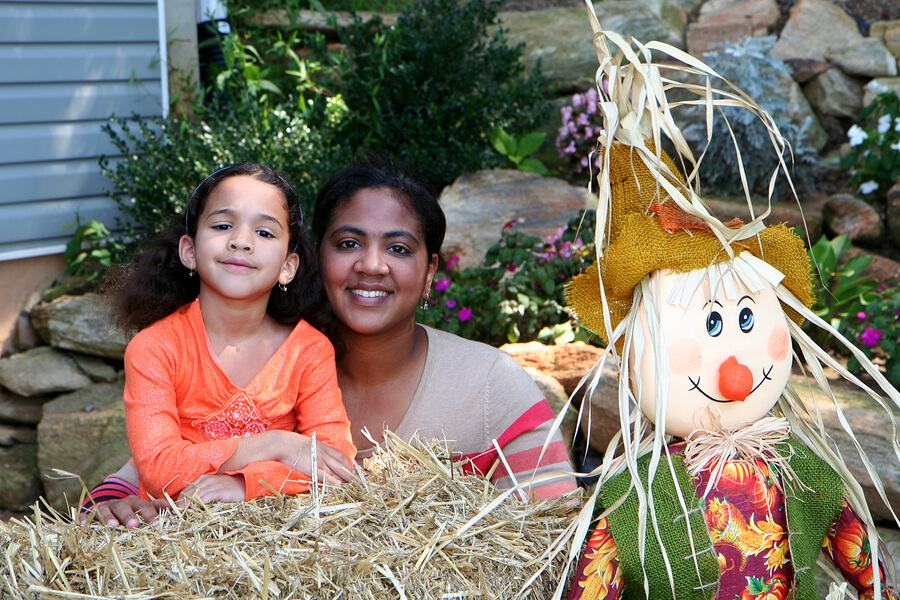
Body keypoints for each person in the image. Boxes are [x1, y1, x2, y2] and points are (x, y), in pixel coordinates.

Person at [563, 16, 900, 600]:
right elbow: (595, 584)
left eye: (746, 320)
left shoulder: (798, 467)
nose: (735, 369)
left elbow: (859, 555)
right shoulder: (638, 493)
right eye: (711, 323)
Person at [83, 155, 576, 528]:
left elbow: (554, 535)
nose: (372, 264)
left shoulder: (491, 387)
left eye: (399, 248)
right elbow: (171, 455)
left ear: (430, 275)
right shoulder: (250, 351)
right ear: (315, 258)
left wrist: (246, 480)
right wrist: (109, 505)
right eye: (348, 243)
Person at [108, 163, 356, 507]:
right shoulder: (155, 348)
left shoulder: (309, 350)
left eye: (265, 233)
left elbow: (336, 462)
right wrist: (274, 445)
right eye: (223, 226)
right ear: (190, 251)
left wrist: (247, 485)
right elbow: (158, 469)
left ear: (288, 267)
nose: (241, 241)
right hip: (170, 538)